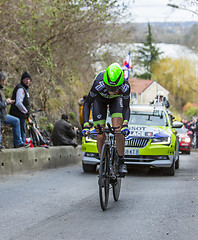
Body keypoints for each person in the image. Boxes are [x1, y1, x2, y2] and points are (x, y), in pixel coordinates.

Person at [81, 62, 130, 175]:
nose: (111, 91)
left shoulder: (125, 86)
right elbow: (87, 103)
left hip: (116, 101)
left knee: (118, 130)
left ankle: (121, 161)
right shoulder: (98, 82)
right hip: (100, 101)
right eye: (109, 87)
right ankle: (103, 161)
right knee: (100, 133)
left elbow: (126, 107)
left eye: (114, 88)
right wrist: (86, 125)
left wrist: (125, 124)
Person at [0, 71, 29, 148]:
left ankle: (18, 143)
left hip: (3, 114)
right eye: (5, 81)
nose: (5, 83)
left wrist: (7, 102)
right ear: (1, 81)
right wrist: (6, 102)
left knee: (16, 121)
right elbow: (18, 103)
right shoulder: (20, 88)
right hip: (3, 115)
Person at [9, 72, 31, 143]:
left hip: (21, 115)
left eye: (29, 80)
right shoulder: (20, 89)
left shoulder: (24, 89)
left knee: (21, 133)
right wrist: (26, 111)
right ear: (22, 80)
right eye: (26, 79)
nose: (28, 81)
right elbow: (18, 103)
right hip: (19, 115)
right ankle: (20, 146)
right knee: (21, 133)